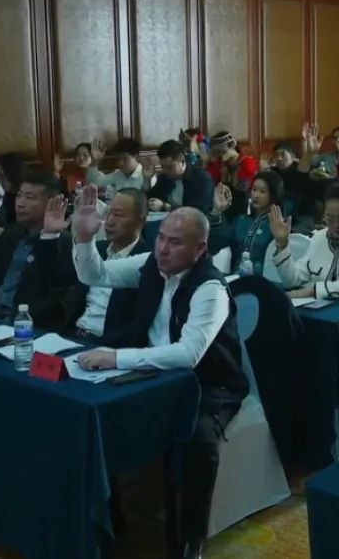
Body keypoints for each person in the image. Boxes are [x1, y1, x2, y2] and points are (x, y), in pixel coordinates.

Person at [72, 198, 246, 559]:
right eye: (161, 238)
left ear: (200, 248)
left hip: (208, 384)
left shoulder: (210, 288)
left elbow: (188, 355)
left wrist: (116, 357)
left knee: (199, 441)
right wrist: (84, 240)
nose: (163, 249)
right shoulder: (151, 264)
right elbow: (96, 275)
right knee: (94, 413)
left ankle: (191, 542)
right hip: (152, 373)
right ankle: (110, 519)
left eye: (175, 242)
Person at [37, 186, 149, 342]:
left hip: (110, 345)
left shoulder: (148, 261)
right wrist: (51, 234)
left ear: (141, 221)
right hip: (73, 334)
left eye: (118, 215)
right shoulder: (95, 248)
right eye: (108, 213)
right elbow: (56, 278)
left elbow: (140, 323)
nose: (109, 221)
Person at [0, 173, 71, 328]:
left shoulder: (63, 242)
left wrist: (49, 235)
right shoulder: (13, 233)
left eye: (29, 197)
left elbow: (55, 292)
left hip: (30, 326)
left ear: (52, 203)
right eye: (19, 195)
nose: (20, 203)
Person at [212, 171, 284, 274]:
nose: (256, 195)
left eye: (262, 191)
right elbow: (214, 245)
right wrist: (217, 211)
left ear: (274, 195)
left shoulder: (278, 227)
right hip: (236, 277)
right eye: (254, 190)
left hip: (264, 280)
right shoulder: (240, 221)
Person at [149, 139, 215, 215]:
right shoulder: (164, 177)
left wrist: (166, 207)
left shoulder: (202, 179)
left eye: (170, 167)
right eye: (163, 167)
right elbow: (153, 196)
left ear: (183, 162)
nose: (165, 171)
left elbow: (198, 211)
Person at [0, 151, 28, 233]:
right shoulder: (8, 195)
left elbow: (25, 228)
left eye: (1, 176)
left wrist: (3, 232)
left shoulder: (26, 196)